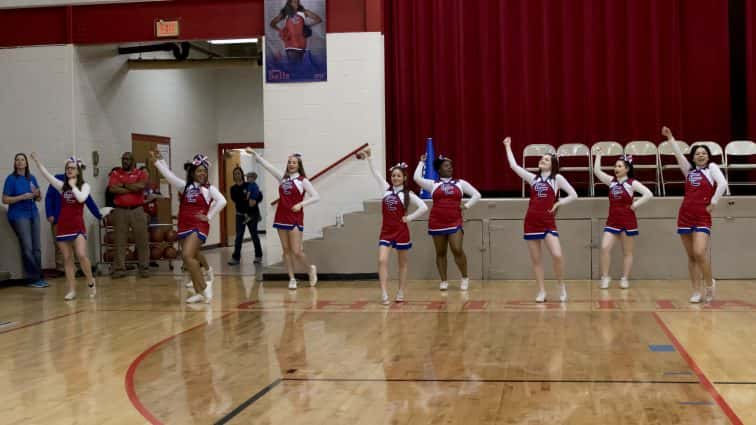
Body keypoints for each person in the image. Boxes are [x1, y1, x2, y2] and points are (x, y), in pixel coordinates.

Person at [503, 137, 578, 302]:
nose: (542, 161)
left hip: (547, 222)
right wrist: (508, 146)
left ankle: (561, 286)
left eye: (546, 159)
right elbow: (514, 166)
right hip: (531, 222)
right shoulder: (533, 179)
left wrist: (559, 202)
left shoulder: (557, 179)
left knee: (557, 255)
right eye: (542, 158)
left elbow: (574, 195)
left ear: (553, 164)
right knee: (536, 260)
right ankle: (542, 291)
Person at [151, 151, 227, 303]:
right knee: (189, 258)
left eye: (204, 172)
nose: (202, 174)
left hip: (199, 225)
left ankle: (205, 287)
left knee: (186, 255)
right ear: (193, 172)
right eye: (199, 171)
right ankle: (199, 292)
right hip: (184, 225)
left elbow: (222, 201)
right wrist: (159, 162)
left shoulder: (209, 189)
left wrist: (209, 216)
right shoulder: (185, 187)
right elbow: (169, 176)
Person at [663, 126, 728, 303]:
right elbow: (678, 155)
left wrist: (713, 202)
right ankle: (696, 291)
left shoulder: (712, 168)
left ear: (708, 156)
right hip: (685, 215)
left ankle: (709, 284)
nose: (700, 155)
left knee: (700, 252)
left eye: (703, 153)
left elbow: (722, 184)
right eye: (697, 153)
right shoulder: (689, 171)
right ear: (693, 157)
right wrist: (670, 138)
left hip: (702, 215)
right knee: (691, 256)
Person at [30, 154, 108, 300]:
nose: (69, 170)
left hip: (77, 225)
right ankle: (71, 289)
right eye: (67, 168)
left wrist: (73, 186)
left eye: (72, 168)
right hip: (63, 225)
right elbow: (47, 176)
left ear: (78, 171)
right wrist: (37, 162)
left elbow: (81, 198)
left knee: (81, 254)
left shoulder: (85, 186)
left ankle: (91, 281)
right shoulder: (61, 186)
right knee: (67, 258)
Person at [359, 147, 427, 304]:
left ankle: (401, 292)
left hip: (401, 232)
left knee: (402, 263)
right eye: (393, 175)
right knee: (382, 260)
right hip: (386, 232)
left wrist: (409, 218)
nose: (395, 178)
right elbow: (376, 174)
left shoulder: (408, 194)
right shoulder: (386, 189)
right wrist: (370, 158)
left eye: (398, 176)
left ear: (404, 178)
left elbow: (423, 207)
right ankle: (384, 293)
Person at [246, 148, 319, 289]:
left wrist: (301, 204)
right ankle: (291, 278)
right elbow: (269, 167)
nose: (291, 164)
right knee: (285, 250)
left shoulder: (303, 181)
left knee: (296, 251)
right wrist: (256, 156)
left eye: (294, 162)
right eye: (289, 162)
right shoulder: (283, 178)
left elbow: (316, 196)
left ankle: (310, 269)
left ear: (299, 165)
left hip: (295, 216)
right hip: (281, 216)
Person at [413, 153, 481, 291]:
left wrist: (466, 206)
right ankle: (444, 281)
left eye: (451, 166)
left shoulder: (460, 183)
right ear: (439, 169)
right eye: (446, 166)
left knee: (457, 249)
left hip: (454, 221)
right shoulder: (433, 184)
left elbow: (477, 195)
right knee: (441, 252)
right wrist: (421, 163)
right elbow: (416, 178)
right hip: (437, 221)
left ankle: (465, 277)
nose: (450, 168)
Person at [592, 148, 653, 289]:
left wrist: (635, 204)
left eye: (619, 166)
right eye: (615, 166)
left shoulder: (632, 183)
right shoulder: (611, 181)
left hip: (627, 220)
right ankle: (605, 276)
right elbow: (597, 172)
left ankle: (625, 278)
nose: (616, 168)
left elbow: (648, 193)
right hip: (612, 220)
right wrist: (599, 156)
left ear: (627, 169)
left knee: (627, 252)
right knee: (605, 247)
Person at [45, 173, 104, 275]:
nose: (71, 170)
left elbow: (88, 201)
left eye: (74, 168)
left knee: (78, 246)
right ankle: (61, 269)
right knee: (60, 246)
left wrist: (99, 215)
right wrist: (49, 213)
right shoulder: (58, 179)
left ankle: (80, 269)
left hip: (75, 221)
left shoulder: (80, 184)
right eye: (69, 167)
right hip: (58, 219)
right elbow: (49, 197)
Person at [2, 153, 47, 288]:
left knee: (37, 248)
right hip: (18, 215)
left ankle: (39, 276)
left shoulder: (31, 178)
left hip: (33, 213)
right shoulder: (11, 179)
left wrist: (38, 194)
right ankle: (32, 279)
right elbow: (5, 199)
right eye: (17, 160)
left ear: (26, 163)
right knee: (27, 247)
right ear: (15, 163)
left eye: (22, 160)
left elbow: (38, 198)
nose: (20, 162)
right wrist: (22, 197)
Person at [108, 152, 150, 278]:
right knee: (119, 241)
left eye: (127, 159)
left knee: (142, 240)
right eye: (123, 159)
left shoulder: (140, 173)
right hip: (120, 210)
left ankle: (144, 268)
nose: (124, 161)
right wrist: (132, 188)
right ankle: (119, 269)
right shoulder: (116, 173)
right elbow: (112, 189)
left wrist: (124, 185)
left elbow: (141, 186)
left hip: (137, 210)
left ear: (133, 161)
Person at [270, 0, 323, 65]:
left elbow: (318, 19)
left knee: (297, 66)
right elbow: (272, 23)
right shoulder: (286, 13)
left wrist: (307, 26)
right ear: (289, 2)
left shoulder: (304, 12)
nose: (296, 3)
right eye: (294, 2)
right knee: (294, 66)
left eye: (297, 1)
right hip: (290, 44)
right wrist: (281, 30)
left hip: (302, 44)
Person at [228, 168, 263, 265]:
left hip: (252, 214)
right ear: (233, 176)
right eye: (235, 174)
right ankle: (236, 258)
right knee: (239, 236)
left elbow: (259, 195)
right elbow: (237, 200)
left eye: (239, 173)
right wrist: (247, 201)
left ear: (242, 175)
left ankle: (258, 256)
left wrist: (255, 200)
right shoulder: (233, 188)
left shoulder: (249, 184)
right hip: (240, 215)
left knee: (254, 235)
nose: (237, 175)